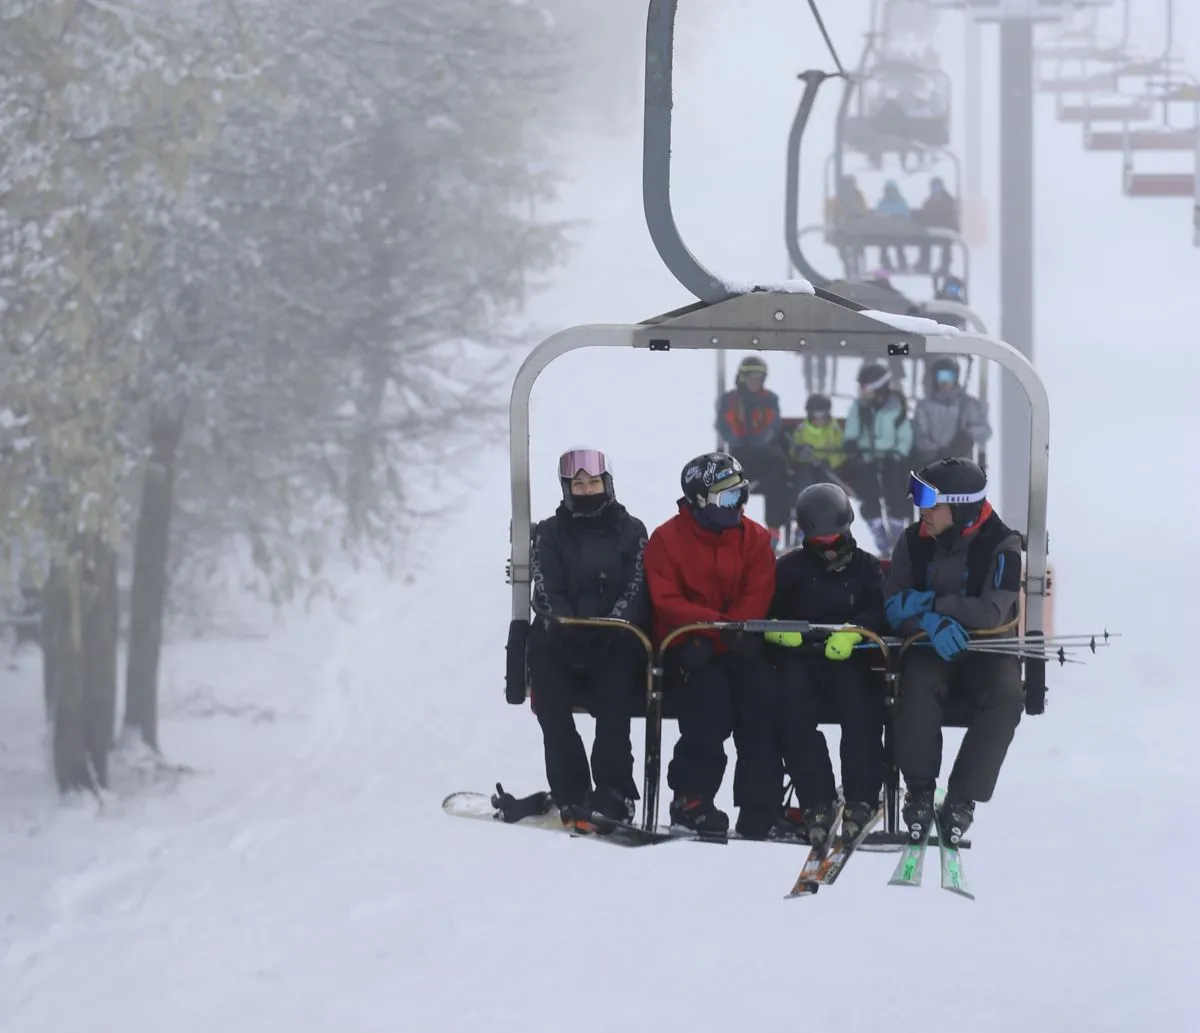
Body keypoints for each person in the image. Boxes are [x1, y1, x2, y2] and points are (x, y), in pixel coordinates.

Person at [882, 457, 1025, 844]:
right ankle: (920, 789)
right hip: (928, 643)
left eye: (931, 502)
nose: (922, 511)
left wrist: (932, 605)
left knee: (1007, 695)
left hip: (987, 647)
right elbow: (893, 606)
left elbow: (991, 611)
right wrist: (926, 623)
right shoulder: (913, 541)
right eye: (920, 499)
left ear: (960, 507)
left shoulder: (1004, 546)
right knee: (918, 684)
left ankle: (963, 797)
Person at [643, 451, 780, 838]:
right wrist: (710, 627)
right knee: (709, 703)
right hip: (690, 646)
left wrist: (736, 627)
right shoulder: (667, 540)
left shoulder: (754, 538)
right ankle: (692, 798)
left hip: (736, 643)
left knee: (763, 699)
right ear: (699, 500)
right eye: (728, 497)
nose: (738, 505)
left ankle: (760, 805)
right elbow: (666, 600)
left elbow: (759, 589)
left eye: (741, 494)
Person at [528, 448, 650, 826]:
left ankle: (614, 792)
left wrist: (611, 624)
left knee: (614, 701)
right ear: (567, 488)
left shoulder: (631, 530)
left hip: (615, 637)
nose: (586, 490)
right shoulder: (550, 532)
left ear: (606, 484)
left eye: (593, 482)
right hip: (561, 636)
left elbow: (636, 585)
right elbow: (546, 584)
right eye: (578, 485)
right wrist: (566, 625)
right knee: (549, 701)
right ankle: (572, 790)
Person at [764, 483, 888, 845]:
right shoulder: (790, 569)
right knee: (792, 710)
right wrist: (777, 629)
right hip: (802, 658)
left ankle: (862, 797)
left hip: (849, 658)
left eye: (833, 539)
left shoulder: (866, 567)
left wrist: (855, 632)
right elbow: (769, 609)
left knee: (861, 711)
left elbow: (880, 610)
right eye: (819, 541)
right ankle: (816, 798)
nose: (828, 548)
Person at [715, 354, 792, 549]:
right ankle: (731, 524)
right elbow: (725, 425)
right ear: (743, 378)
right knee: (730, 477)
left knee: (777, 471)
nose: (755, 382)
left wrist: (759, 441)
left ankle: (774, 528)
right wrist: (739, 441)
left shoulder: (769, 399)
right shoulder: (731, 400)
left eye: (759, 378)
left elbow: (773, 426)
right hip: (741, 453)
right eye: (751, 377)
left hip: (763, 453)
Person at [842, 362, 913, 555]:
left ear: (878, 387)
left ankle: (896, 525)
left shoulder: (896, 407)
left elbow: (905, 435)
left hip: (891, 456)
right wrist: (852, 445)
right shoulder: (860, 407)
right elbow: (852, 430)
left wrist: (899, 453)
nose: (862, 391)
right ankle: (876, 526)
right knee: (867, 486)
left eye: (865, 387)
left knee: (895, 483)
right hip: (867, 455)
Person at [912, 357, 992, 470]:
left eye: (949, 376)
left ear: (956, 377)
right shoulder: (925, 406)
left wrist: (968, 434)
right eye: (941, 376)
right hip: (932, 464)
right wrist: (938, 452)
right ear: (934, 378)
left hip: (960, 464)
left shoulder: (966, 404)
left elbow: (985, 430)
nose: (945, 381)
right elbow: (919, 434)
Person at [785, 393, 849, 504]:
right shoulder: (802, 430)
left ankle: (829, 507)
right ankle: (803, 506)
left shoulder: (835, 430)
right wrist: (800, 453)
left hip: (828, 468)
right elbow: (793, 451)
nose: (819, 419)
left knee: (828, 484)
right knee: (804, 478)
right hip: (807, 465)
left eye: (823, 415)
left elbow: (841, 453)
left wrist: (830, 461)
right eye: (815, 415)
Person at [914, 177, 959, 275]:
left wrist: (937, 221)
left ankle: (945, 266)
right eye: (932, 186)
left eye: (936, 186)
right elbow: (926, 213)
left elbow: (947, 216)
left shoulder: (948, 201)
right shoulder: (930, 200)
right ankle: (924, 263)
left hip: (946, 230)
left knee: (946, 244)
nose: (934, 189)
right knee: (924, 239)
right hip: (934, 229)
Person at [874, 180, 912, 272]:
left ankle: (903, 265)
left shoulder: (901, 201)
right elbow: (878, 215)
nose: (890, 193)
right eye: (888, 190)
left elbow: (906, 215)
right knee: (883, 245)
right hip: (885, 231)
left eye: (891, 190)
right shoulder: (882, 202)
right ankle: (886, 265)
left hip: (899, 231)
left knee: (899, 244)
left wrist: (897, 218)